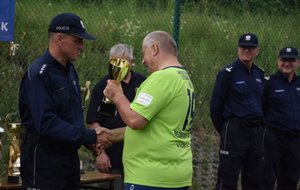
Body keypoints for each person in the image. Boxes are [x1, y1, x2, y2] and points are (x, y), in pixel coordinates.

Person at [18, 13, 112, 190]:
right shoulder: (40, 74)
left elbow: (72, 116)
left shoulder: (69, 71)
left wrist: (88, 142)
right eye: (77, 40)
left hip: (68, 160)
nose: (82, 46)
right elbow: (45, 122)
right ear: (59, 38)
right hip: (44, 163)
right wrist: (90, 135)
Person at [103, 30, 195, 190]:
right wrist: (111, 135)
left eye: (144, 53)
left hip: (151, 176)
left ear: (154, 49)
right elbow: (157, 126)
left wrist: (118, 96)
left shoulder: (162, 78)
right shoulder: (183, 77)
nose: (143, 61)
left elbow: (134, 120)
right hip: (176, 173)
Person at [86, 43, 146, 190]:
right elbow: (94, 122)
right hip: (113, 160)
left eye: (123, 62)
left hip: (140, 158)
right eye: (114, 62)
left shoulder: (143, 83)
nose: (119, 66)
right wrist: (100, 154)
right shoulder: (104, 86)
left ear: (132, 62)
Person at [210, 33, 265, 190]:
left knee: (254, 179)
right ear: (238, 49)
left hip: (255, 132)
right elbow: (215, 107)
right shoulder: (227, 73)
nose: (246, 50)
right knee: (227, 178)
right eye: (243, 47)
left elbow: (262, 104)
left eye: (250, 48)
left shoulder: (259, 75)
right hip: (234, 130)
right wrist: (227, 128)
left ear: (257, 51)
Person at [262, 47, 300, 190]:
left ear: (298, 62)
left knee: (290, 180)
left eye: (291, 60)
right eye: (284, 59)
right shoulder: (269, 83)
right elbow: (261, 109)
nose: (287, 63)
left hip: (295, 140)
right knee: (267, 178)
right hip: (274, 139)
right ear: (278, 62)